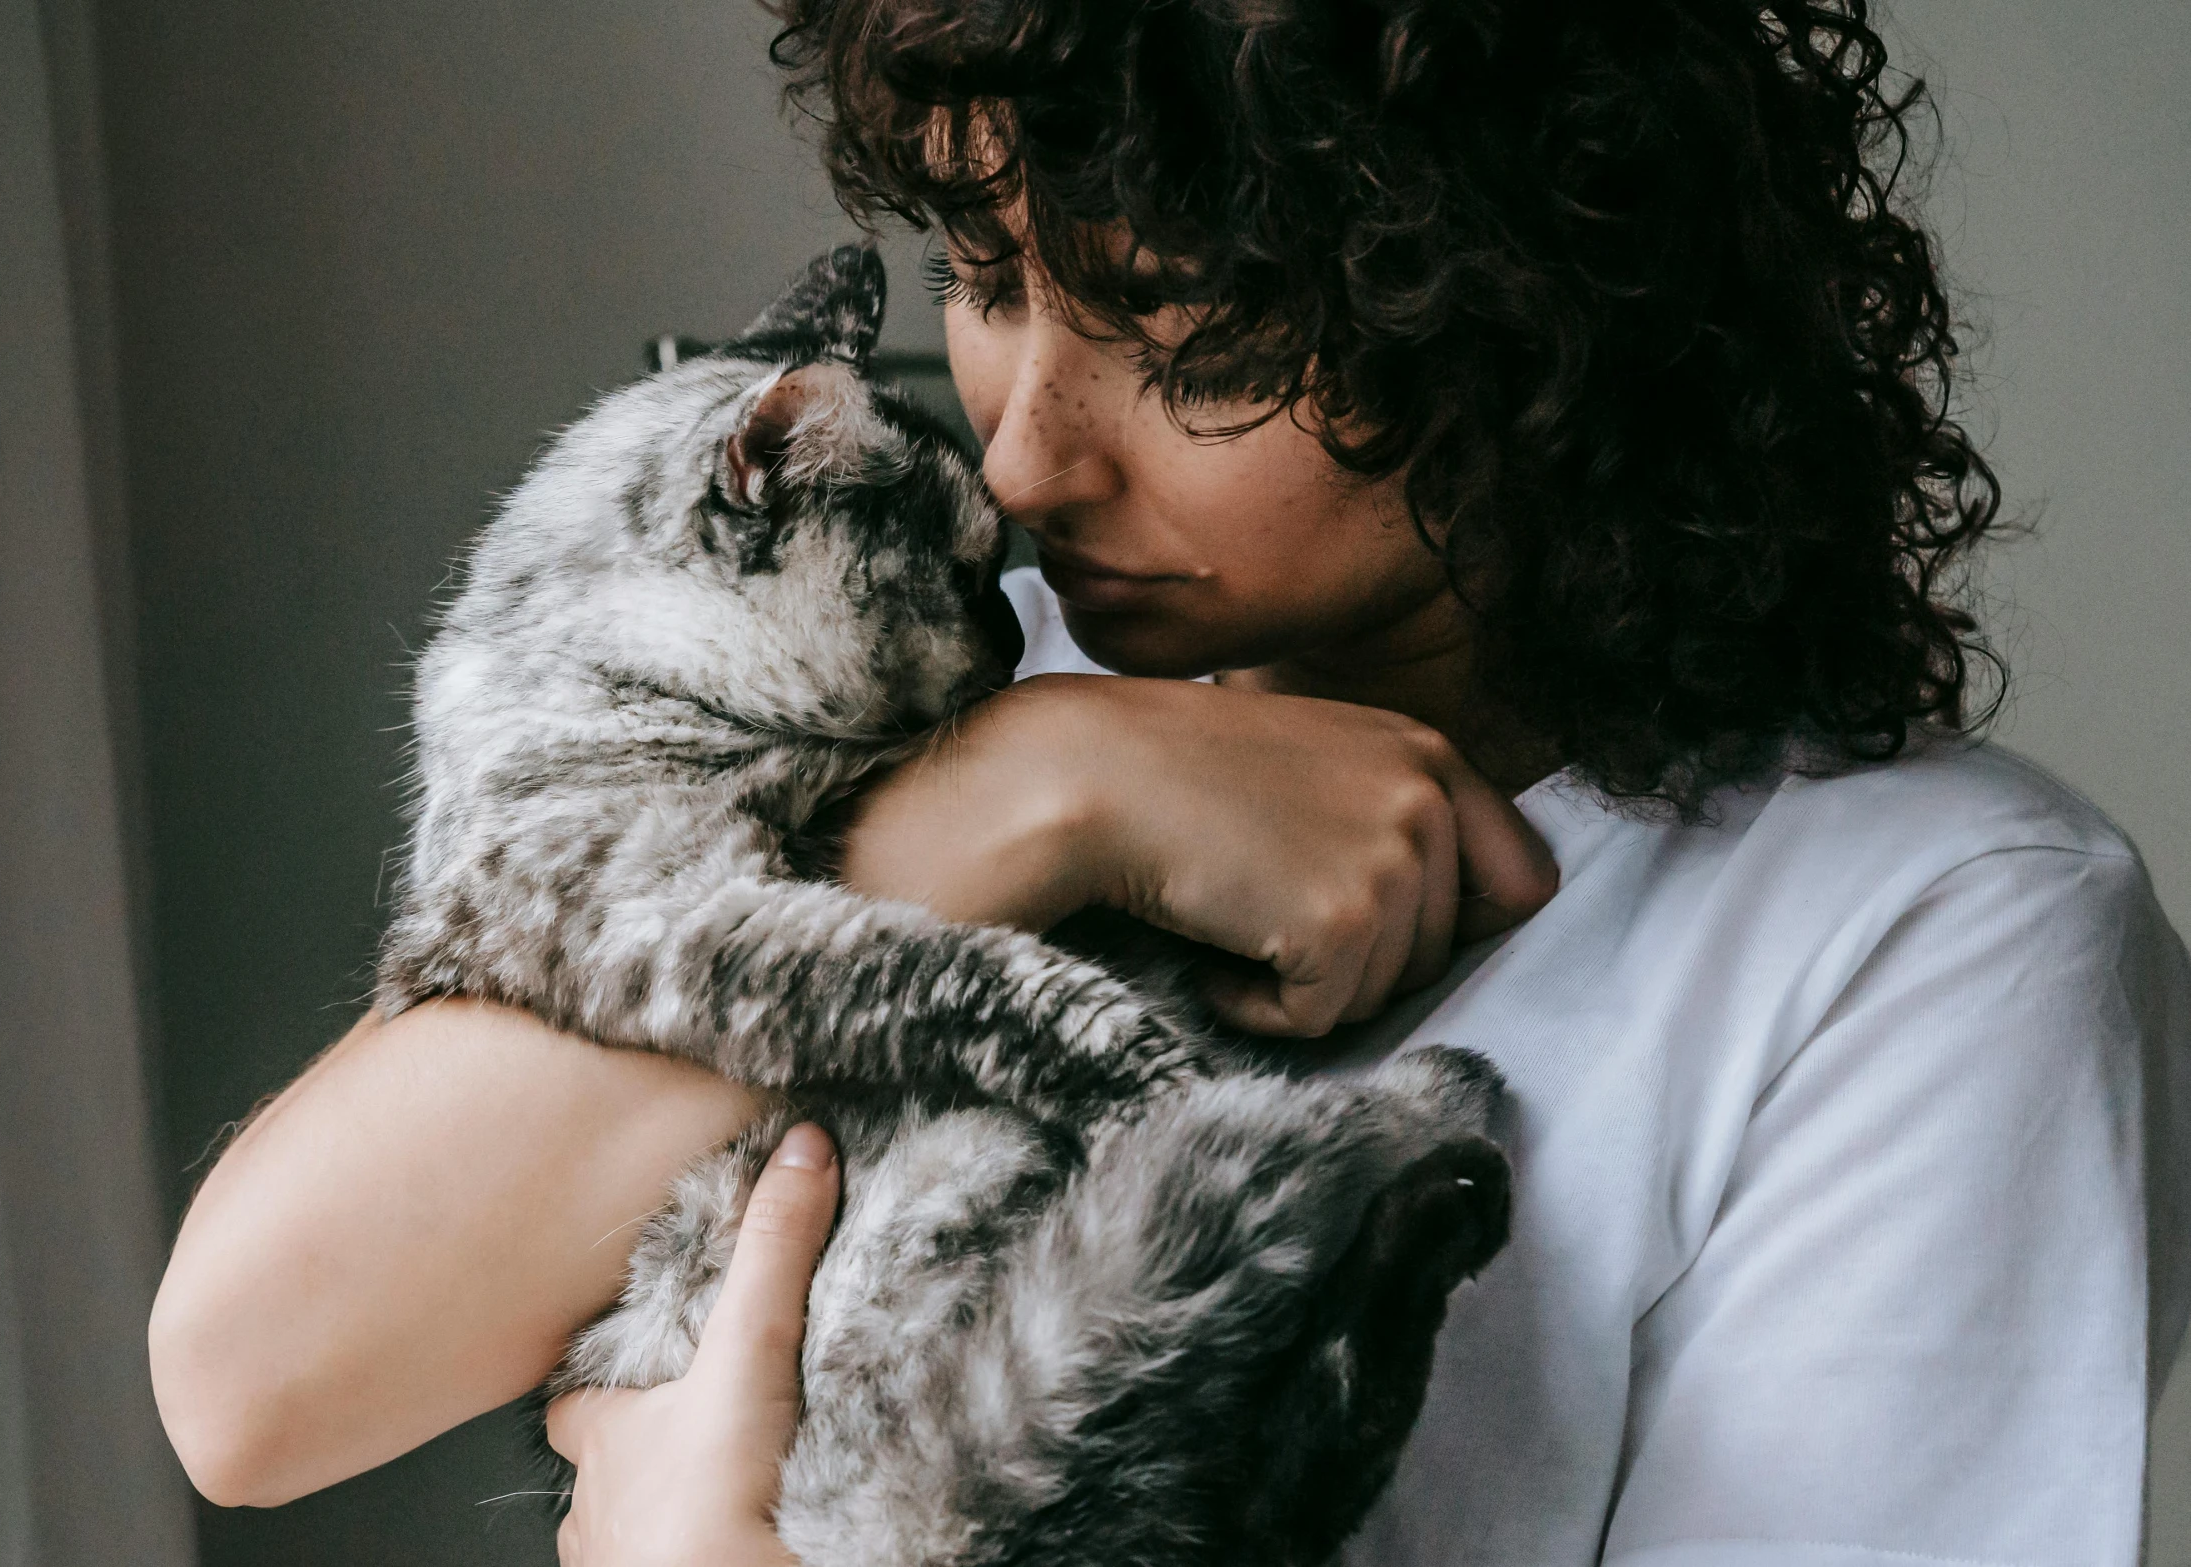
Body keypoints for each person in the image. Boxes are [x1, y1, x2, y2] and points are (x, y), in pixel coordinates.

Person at [149, 0, 2191, 1562]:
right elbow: (252, 1382)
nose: (1025, 457)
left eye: (1183, 339)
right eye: (982, 277)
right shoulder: (947, 706)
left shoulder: (1928, 936)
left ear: (1521, 306)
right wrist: (1022, 797)